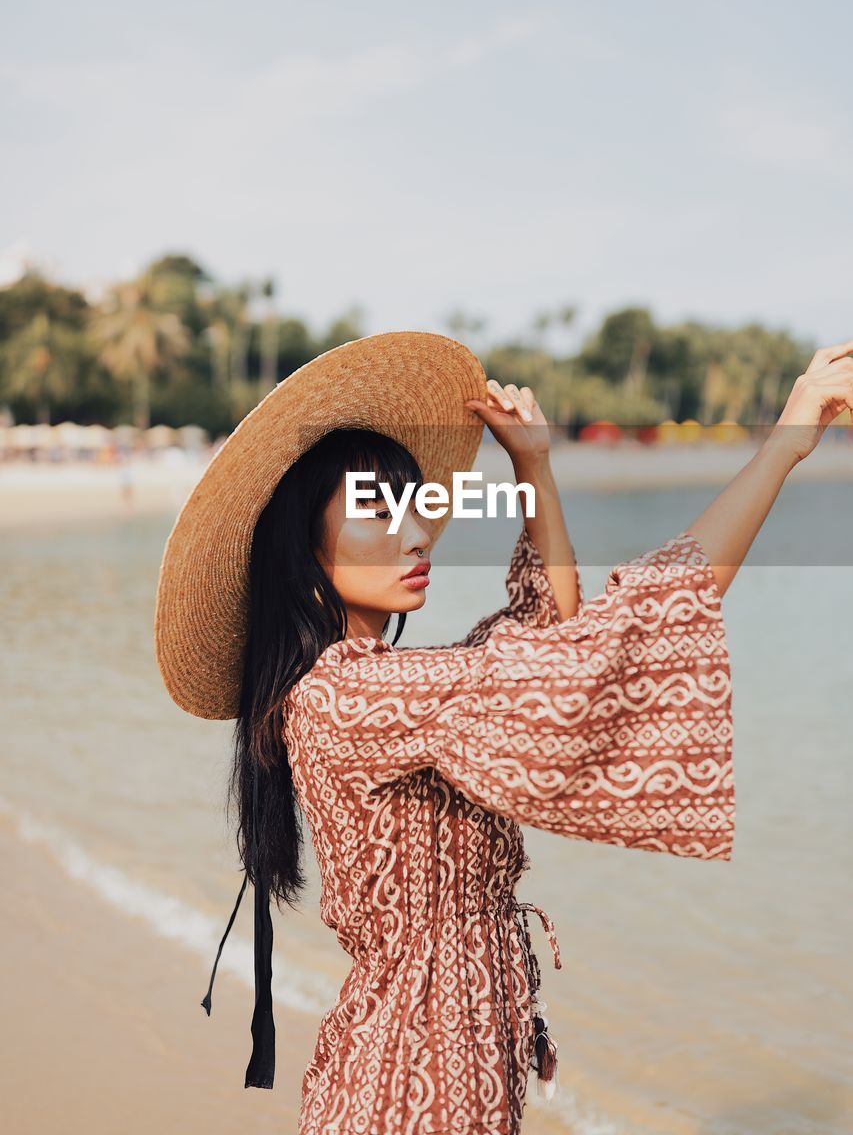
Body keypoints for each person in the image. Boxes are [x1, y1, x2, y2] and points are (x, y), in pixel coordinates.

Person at [154, 331, 853, 1135]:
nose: (417, 537)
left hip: (444, 1058)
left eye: (417, 509)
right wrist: (783, 449)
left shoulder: (394, 693)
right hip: (418, 1080)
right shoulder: (349, 698)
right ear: (302, 553)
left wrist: (535, 474)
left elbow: (550, 631)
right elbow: (603, 648)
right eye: (378, 514)